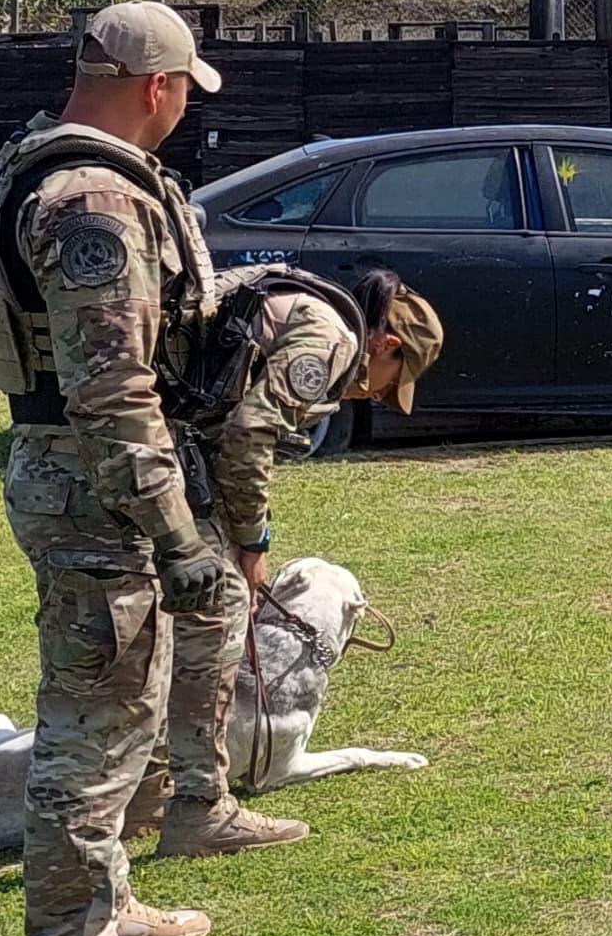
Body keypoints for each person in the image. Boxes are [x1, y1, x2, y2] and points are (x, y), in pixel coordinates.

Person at [0, 0, 255, 936]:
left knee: (124, 706)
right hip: (98, 483)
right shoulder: (91, 200)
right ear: (158, 87)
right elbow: (111, 388)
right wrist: (178, 534)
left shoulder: (47, 168)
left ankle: (106, 903)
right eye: (186, 90)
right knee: (92, 728)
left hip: (79, 475)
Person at [134, 260, 446, 833]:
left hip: (141, 454)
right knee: (215, 624)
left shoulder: (309, 315)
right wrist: (251, 544)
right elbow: (250, 432)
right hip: (159, 464)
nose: (377, 396)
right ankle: (198, 810)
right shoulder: (331, 337)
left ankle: (147, 793)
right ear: (388, 345)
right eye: (391, 379)